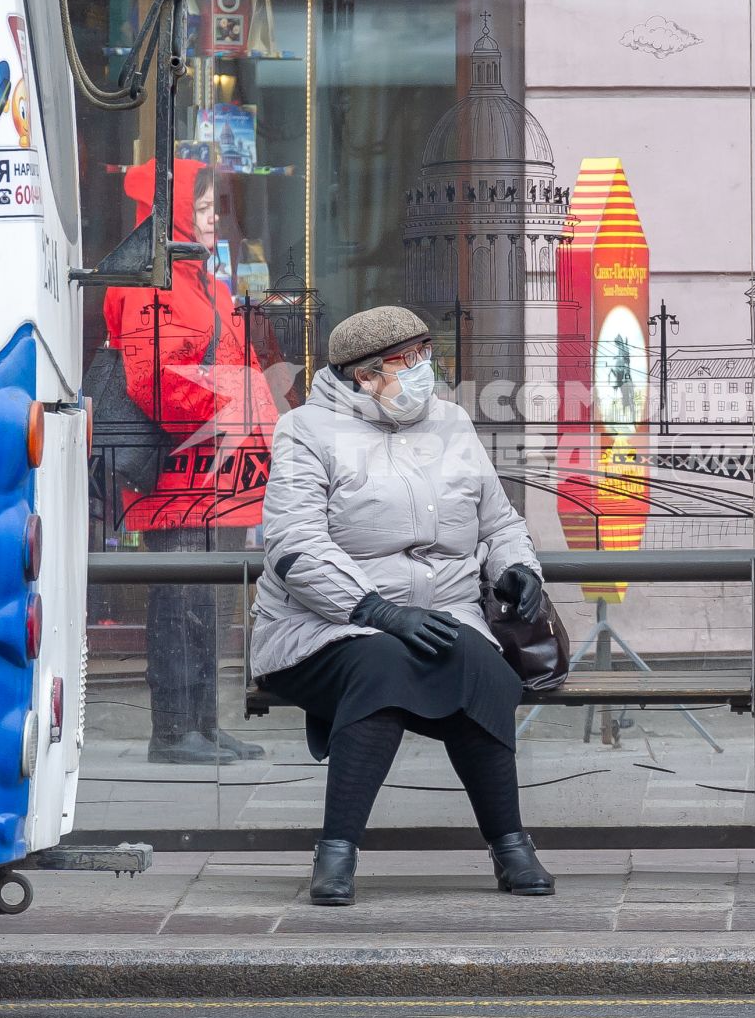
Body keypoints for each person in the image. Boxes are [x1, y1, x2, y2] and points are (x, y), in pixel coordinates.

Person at [252, 305, 554, 907]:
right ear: (364, 375)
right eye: (406, 361)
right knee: (383, 665)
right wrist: (377, 611)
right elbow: (295, 543)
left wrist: (518, 568)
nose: (424, 370)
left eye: (425, 356)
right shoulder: (306, 430)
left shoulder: (452, 423)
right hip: (325, 625)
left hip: (445, 614)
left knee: (482, 667)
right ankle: (336, 850)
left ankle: (511, 843)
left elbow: (498, 523)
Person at [104, 160, 278, 766]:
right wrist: (231, 413)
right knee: (179, 600)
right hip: (180, 468)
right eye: (201, 208)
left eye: (215, 208)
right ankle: (174, 731)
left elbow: (237, 364)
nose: (213, 220)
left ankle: (202, 722)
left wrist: (260, 428)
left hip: (217, 470)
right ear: (171, 212)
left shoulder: (208, 283)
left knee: (209, 602)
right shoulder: (148, 284)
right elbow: (153, 379)